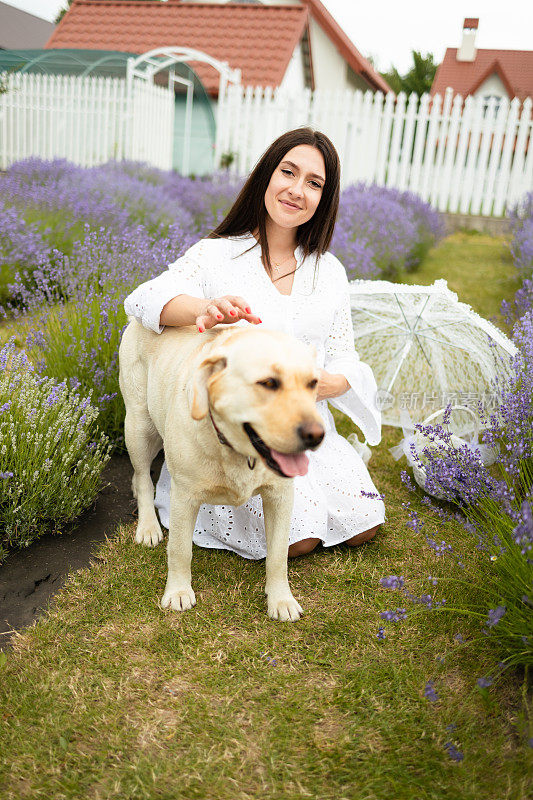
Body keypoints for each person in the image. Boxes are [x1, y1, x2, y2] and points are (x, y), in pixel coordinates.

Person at [124, 127, 385, 560]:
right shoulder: (218, 254)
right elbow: (145, 299)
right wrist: (203, 308)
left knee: (364, 526)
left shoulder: (329, 271)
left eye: (314, 183)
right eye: (288, 172)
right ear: (267, 175)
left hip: (302, 421)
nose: (297, 190)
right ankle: (154, 490)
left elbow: (345, 357)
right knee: (301, 540)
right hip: (237, 439)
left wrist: (323, 383)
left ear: (325, 198)